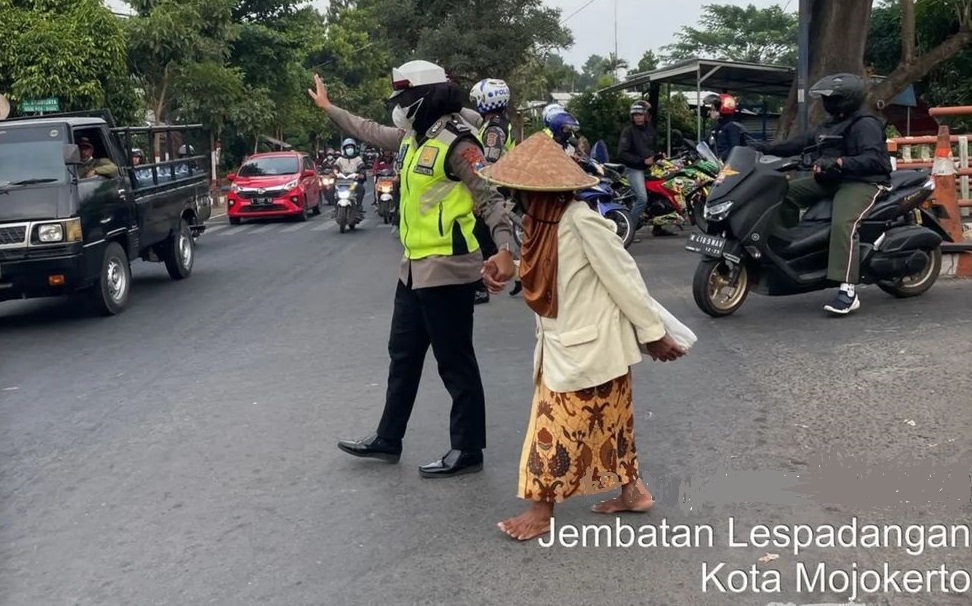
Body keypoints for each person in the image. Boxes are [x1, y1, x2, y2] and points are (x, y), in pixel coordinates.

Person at [307, 59, 516, 477]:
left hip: (449, 267)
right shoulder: (412, 139)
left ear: (425, 98)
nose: (398, 106)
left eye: (404, 98)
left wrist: (506, 249)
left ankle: (468, 449)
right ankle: (388, 438)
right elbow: (367, 130)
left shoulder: (459, 143)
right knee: (402, 355)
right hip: (413, 268)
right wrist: (330, 109)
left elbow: (491, 198)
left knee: (454, 361)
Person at [476, 132, 687, 541]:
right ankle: (633, 492)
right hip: (574, 348)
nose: (517, 200)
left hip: (588, 349)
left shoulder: (581, 221)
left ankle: (541, 510)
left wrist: (654, 334)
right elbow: (550, 271)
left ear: (545, 192)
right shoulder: (542, 225)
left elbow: (625, 280)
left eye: (521, 193)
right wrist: (510, 267)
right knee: (613, 423)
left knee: (552, 429)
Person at [752, 72, 893, 315]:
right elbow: (799, 143)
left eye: (832, 98)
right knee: (782, 191)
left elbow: (875, 160)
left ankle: (847, 289)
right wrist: (762, 148)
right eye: (826, 98)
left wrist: (839, 162)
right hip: (830, 180)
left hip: (863, 182)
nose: (827, 103)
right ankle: (789, 250)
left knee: (844, 223)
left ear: (847, 99)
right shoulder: (830, 124)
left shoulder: (865, 124)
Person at [469, 78, 519, 302]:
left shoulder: (494, 131)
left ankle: (481, 288)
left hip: (494, 189)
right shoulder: (496, 124)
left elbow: (489, 165)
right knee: (489, 236)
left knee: (481, 238)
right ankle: (519, 273)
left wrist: (479, 197)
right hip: (499, 187)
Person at [617, 100, 657, 235]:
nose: (638, 117)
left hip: (649, 168)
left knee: (659, 193)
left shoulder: (650, 131)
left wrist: (658, 156)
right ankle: (630, 231)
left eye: (640, 114)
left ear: (646, 115)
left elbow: (651, 149)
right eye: (635, 115)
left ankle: (658, 227)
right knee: (642, 199)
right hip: (634, 169)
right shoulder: (628, 131)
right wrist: (642, 161)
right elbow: (622, 153)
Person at [706, 93, 750, 161]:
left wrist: (722, 156)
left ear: (722, 110)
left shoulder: (732, 127)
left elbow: (735, 149)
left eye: (713, 110)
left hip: (728, 164)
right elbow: (707, 142)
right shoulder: (717, 127)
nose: (710, 112)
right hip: (716, 163)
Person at [335, 138, 366, 215]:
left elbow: (362, 167)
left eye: (351, 148)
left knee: (361, 189)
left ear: (354, 149)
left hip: (353, 181)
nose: (349, 149)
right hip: (342, 181)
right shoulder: (340, 159)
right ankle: (335, 208)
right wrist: (335, 172)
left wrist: (360, 174)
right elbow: (335, 167)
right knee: (332, 190)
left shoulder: (358, 159)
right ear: (344, 149)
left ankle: (358, 206)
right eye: (348, 148)